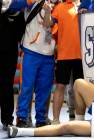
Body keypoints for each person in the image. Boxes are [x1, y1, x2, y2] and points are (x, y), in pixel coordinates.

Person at [15, 0, 56, 128]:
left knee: (44, 89)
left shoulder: (59, 4)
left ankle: (41, 119)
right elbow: (15, 5)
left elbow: (48, 24)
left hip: (49, 53)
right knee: (26, 87)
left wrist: (49, 10)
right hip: (31, 50)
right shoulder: (31, 1)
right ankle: (22, 117)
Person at [44, 0, 84, 124]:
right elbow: (48, 23)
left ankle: (79, 119)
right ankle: (56, 120)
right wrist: (46, 11)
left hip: (82, 55)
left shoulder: (85, 5)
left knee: (79, 88)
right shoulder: (60, 7)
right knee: (60, 86)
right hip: (64, 55)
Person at [0, 0, 25, 130]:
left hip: (10, 54)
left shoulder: (17, 12)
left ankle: (7, 119)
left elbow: (21, 34)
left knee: (7, 86)